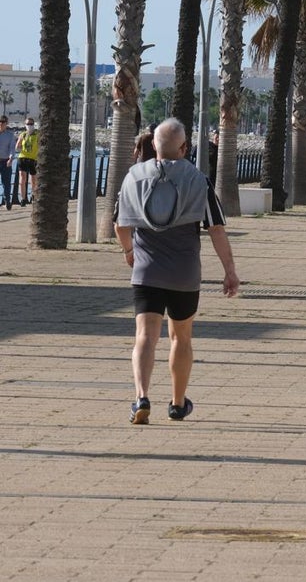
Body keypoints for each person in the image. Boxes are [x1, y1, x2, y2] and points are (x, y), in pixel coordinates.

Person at [113, 118, 239, 424]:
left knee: (145, 336)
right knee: (181, 337)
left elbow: (120, 225)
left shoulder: (133, 177)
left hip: (146, 271)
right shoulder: (198, 180)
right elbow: (217, 230)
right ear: (185, 148)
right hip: (185, 273)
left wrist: (130, 251)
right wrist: (230, 271)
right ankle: (178, 403)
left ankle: (141, 397)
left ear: (154, 144)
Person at [15, 117, 39, 206]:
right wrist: (21, 147)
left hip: (34, 159)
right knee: (22, 179)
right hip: (23, 158)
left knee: (33, 180)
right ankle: (23, 198)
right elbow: (17, 146)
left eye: (31, 124)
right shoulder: (23, 134)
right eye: (28, 124)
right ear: (25, 125)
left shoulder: (37, 134)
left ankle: (33, 196)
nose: (30, 125)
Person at [0, 116, 16, 210]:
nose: (1, 123)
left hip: (5, 161)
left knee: (6, 183)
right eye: (0, 121)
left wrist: (11, 158)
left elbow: (12, 148)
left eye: (3, 122)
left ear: (7, 123)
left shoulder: (10, 135)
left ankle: (7, 201)